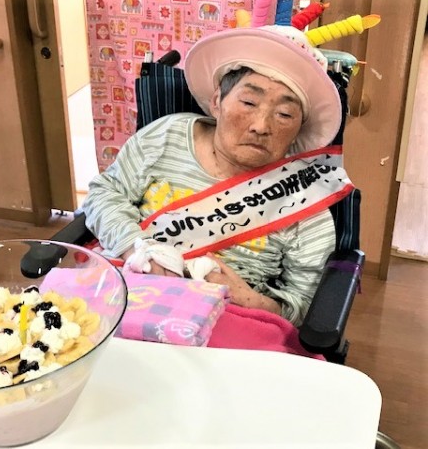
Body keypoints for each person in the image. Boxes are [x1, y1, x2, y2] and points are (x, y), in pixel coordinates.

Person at [81, 25, 354, 327]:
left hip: (230, 323)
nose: (261, 126)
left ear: (299, 127)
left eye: (285, 115)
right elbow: (104, 193)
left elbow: (310, 307)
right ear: (216, 102)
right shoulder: (166, 136)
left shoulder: (304, 193)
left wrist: (251, 300)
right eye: (248, 103)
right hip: (127, 293)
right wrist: (138, 248)